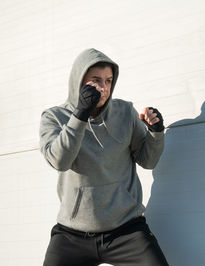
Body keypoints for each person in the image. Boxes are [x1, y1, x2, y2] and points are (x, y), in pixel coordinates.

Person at [39, 48, 169, 266]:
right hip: (73, 234)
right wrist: (80, 114)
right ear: (79, 81)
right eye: (96, 80)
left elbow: (148, 161)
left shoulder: (125, 112)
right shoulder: (54, 117)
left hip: (126, 230)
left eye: (109, 81)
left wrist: (156, 133)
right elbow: (59, 161)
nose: (104, 88)